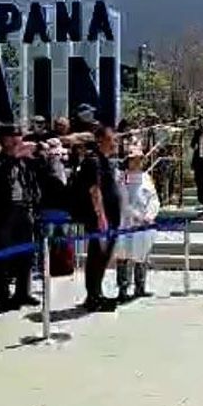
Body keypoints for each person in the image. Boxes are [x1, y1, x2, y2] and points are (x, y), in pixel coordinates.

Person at [0, 125, 41, 314]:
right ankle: (1, 296)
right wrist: (13, 158)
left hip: (24, 209)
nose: (18, 138)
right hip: (5, 212)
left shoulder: (24, 160)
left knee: (26, 253)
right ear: (4, 139)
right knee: (2, 255)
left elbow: (34, 179)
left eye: (19, 135)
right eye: (13, 135)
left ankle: (23, 292)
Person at [73, 126, 122, 311]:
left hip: (110, 217)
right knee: (97, 256)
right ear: (100, 140)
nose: (115, 143)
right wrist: (101, 216)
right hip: (100, 218)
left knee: (103, 256)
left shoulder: (105, 161)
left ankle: (96, 292)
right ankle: (93, 296)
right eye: (111, 139)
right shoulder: (93, 161)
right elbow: (94, 190)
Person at [115, 143, 160, 301]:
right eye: (133, 159)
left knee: (142, 255)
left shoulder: (146, 178)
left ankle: (140, 287)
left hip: (144, 224)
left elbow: (153, 199)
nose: (137, 162)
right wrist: (136, 215)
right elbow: (122, 201)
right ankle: (123, 288)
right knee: (123, 256)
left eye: (139, 159)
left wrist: (149, 215)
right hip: (126, 223)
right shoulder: (122, 178)